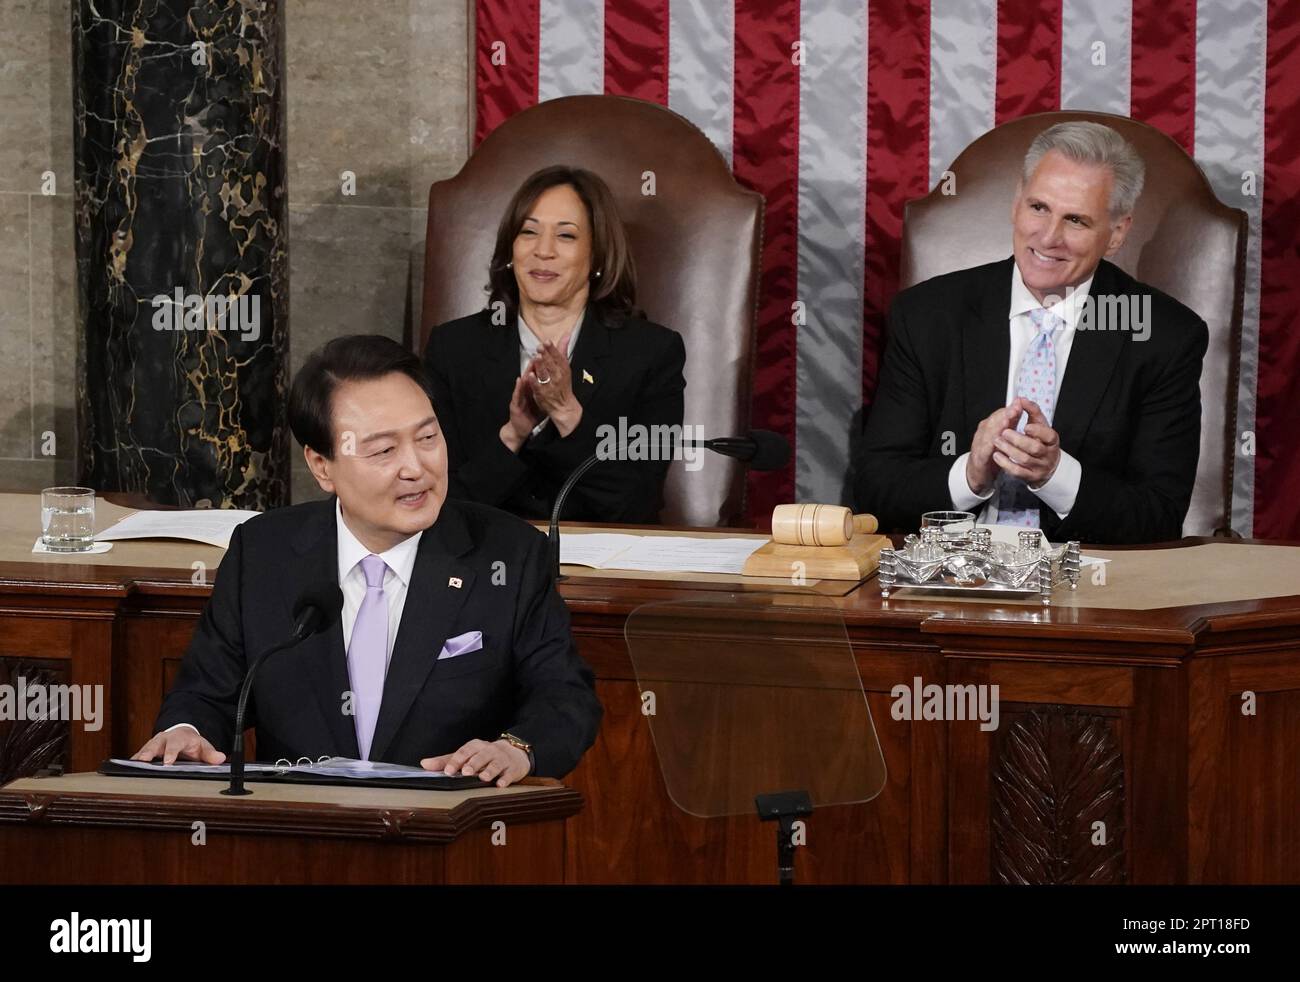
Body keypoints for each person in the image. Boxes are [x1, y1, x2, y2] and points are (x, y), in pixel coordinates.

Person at [132, 336, 603, 786]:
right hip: (301, 844)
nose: (416, 467)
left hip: (449, 838)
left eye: (428, 438)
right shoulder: (263, 554)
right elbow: (206, 694)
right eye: (383, 451)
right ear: (321, 466)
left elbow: (565, 697)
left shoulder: (509, 554)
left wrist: (515, 748)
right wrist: (186, 732)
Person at [853, 121, 1208, 544]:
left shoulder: (1164, 335)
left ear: (1116, 234)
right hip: (948, 584)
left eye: (1075, 220)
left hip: (1087, 593)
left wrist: (1057, 476)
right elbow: (877, 489)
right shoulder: (928, 315)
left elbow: (1158, 515)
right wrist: (969, 474)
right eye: (1038, 208)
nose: (1049, 237)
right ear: (1016, 203)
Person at [424, 165, 686, 524]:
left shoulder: (652, 354)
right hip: (484, 561)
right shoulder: (453, 348)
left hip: (603, 566)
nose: (542, 251)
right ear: (510, 250)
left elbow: (636, 501)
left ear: (597, 255)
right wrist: (512, 435)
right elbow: (440, 500)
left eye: (566, 236)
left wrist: (567, 414)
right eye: (528, 232)